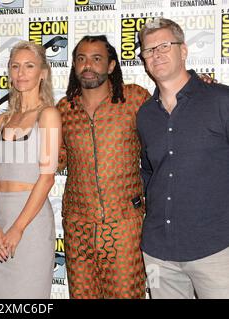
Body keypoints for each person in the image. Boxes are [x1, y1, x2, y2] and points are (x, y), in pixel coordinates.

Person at [137, 17, 229, 299]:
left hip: (216, 248)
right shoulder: (144, 115)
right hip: (158, 254)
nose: (157, 54)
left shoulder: (220, 100)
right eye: (149, 50)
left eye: (164, 45)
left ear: (184, 50)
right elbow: (150, 172)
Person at [56, 35, 150, 299]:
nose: (88, 65)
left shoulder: (134, 99)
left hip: (124, 227)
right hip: (78, 227)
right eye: (81, 59)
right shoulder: (64, 109)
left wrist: (199, 85)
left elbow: (169, 122)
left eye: (97, 59)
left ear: (110, 66)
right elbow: (55, 161)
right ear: (74, 66)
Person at [0, 41, 62, 299]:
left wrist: (18, 228)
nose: (21, 73)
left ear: (43, 73)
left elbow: (47, 178)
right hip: (0, 218)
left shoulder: (48, 114)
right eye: (15, 66)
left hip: (31, 223)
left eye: (29, 66)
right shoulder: (3, 120)